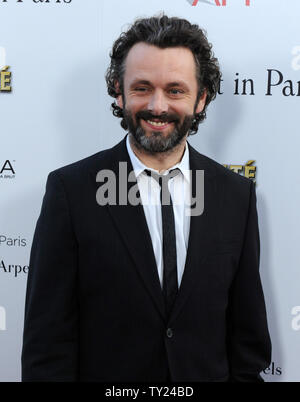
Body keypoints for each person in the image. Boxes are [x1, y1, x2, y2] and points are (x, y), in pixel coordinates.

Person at [21, 15, 271, 382]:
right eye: (142, 88)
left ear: (200, 98)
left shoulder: (235, 195)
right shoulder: (70, 192)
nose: (158, 106)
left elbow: (247, 346)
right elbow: (46, 349)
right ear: (119, 93)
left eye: (175, 90)